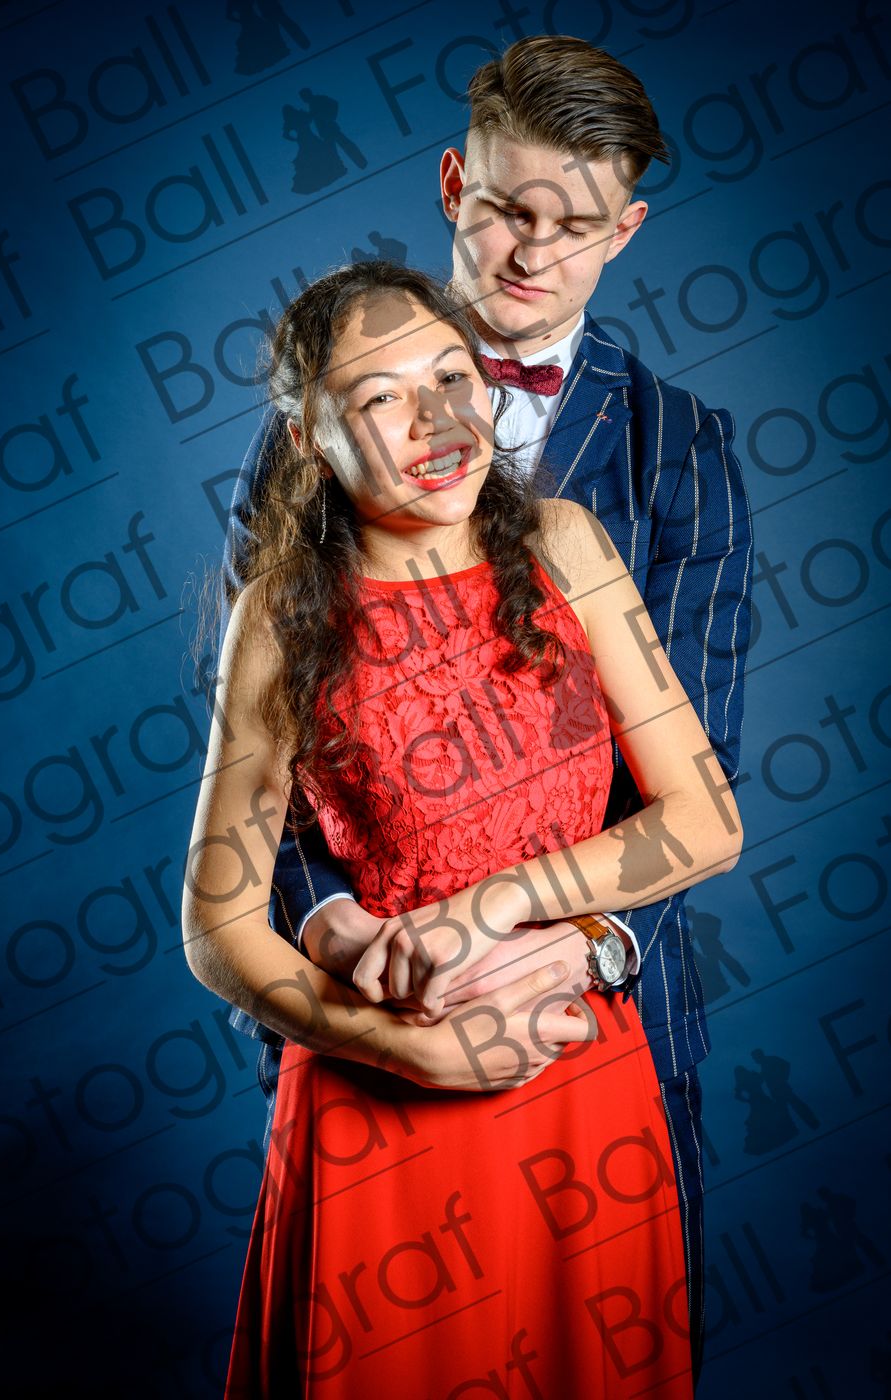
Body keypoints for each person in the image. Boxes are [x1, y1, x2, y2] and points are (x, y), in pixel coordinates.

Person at [219, 34, 754, 1380]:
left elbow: (699, 777)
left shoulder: (679, 454)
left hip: (592, 1024)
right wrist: (342, 937)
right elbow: (275, 772)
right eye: (511, 209)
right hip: (380, 1027)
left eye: (575, 226)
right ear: (456, 184)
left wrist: (573, 947)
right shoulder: (301, 430)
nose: (532, 254)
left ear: (627, 229)